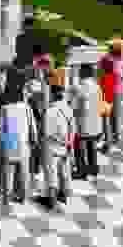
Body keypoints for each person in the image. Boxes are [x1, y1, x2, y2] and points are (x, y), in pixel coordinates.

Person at [0, 72, 38, 204]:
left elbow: (1, 128)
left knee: (7, 173)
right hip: (23, 144)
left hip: (9, 143)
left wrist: (1, 144)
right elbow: (32, 127)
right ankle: (23, 198)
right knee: (24, 174)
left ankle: (6, 198)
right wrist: (34, 140)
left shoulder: (4, 108)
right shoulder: (26, 107)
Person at [39, 78, 75, 209]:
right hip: (65, 147)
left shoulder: (49, 111)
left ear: (53, 95)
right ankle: (64, 196)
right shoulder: (68, 109)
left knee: (51, 174)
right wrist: (69, 144)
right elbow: (73, 129)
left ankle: (52, 201)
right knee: (64, 173)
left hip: (51, 147)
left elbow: (47, 133)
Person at [98, 38, 123, 147]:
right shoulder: (118, 60)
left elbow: (100, 74)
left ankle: (108, 139)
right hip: (116, 91)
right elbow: (119, 76)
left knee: (106, 116)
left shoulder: (106, 59)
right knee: (114, 116)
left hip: (107, 91)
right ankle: (114, 137)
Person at [71, 63, 101, 178]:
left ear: (83, 73)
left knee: (79, 148)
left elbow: (74, 106)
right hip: (94, 121)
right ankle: (93, 168)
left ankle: (81, 170)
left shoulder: (79, 88)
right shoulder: (96, 86)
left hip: (82, 122)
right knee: (92, 146)